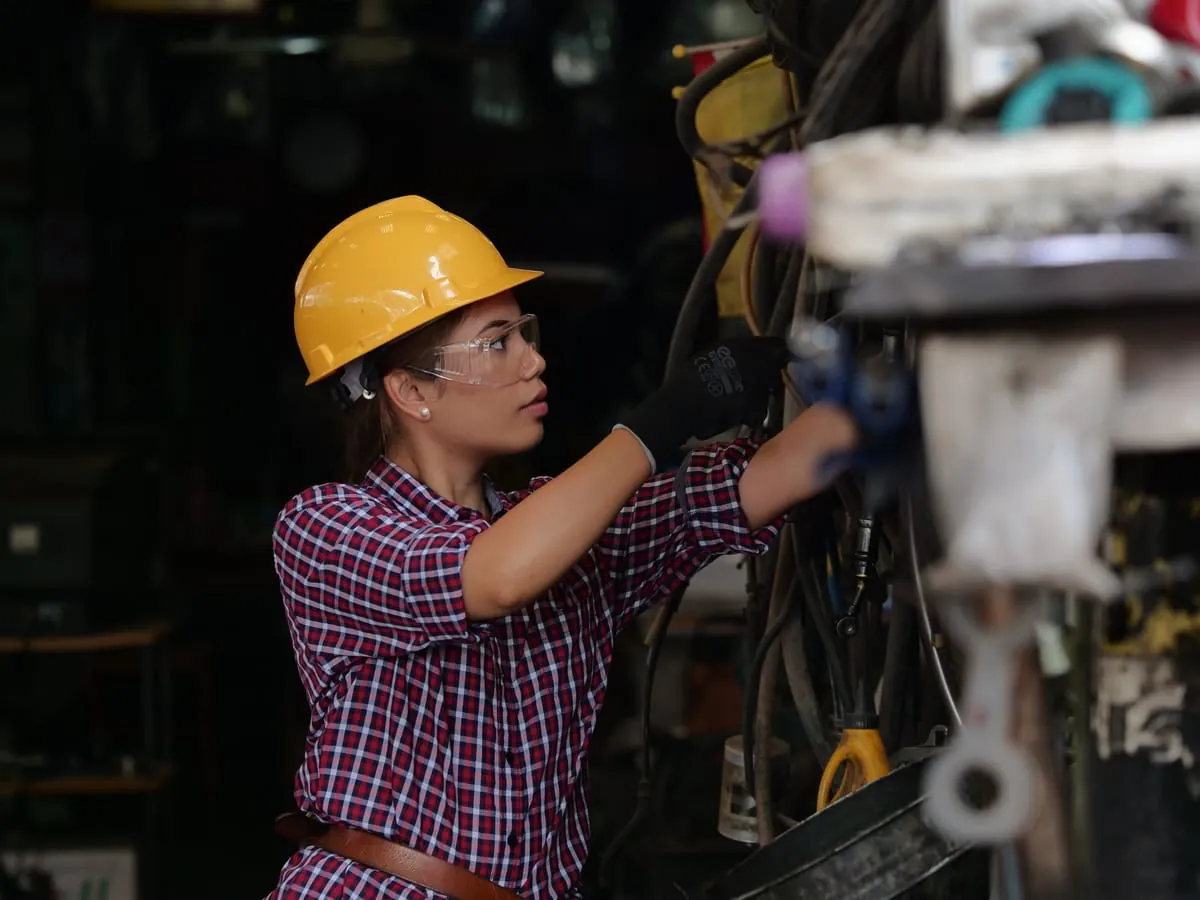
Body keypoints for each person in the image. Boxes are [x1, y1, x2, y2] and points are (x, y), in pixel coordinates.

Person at [269, 196, 860, 900]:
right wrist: (664, 420)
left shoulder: (572, 532)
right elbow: (493, 577)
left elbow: (763, 480)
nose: (534, 360)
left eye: (527, 333)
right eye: (498, 342)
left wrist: (888, 366)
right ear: (410, 390)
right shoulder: (326, 530)